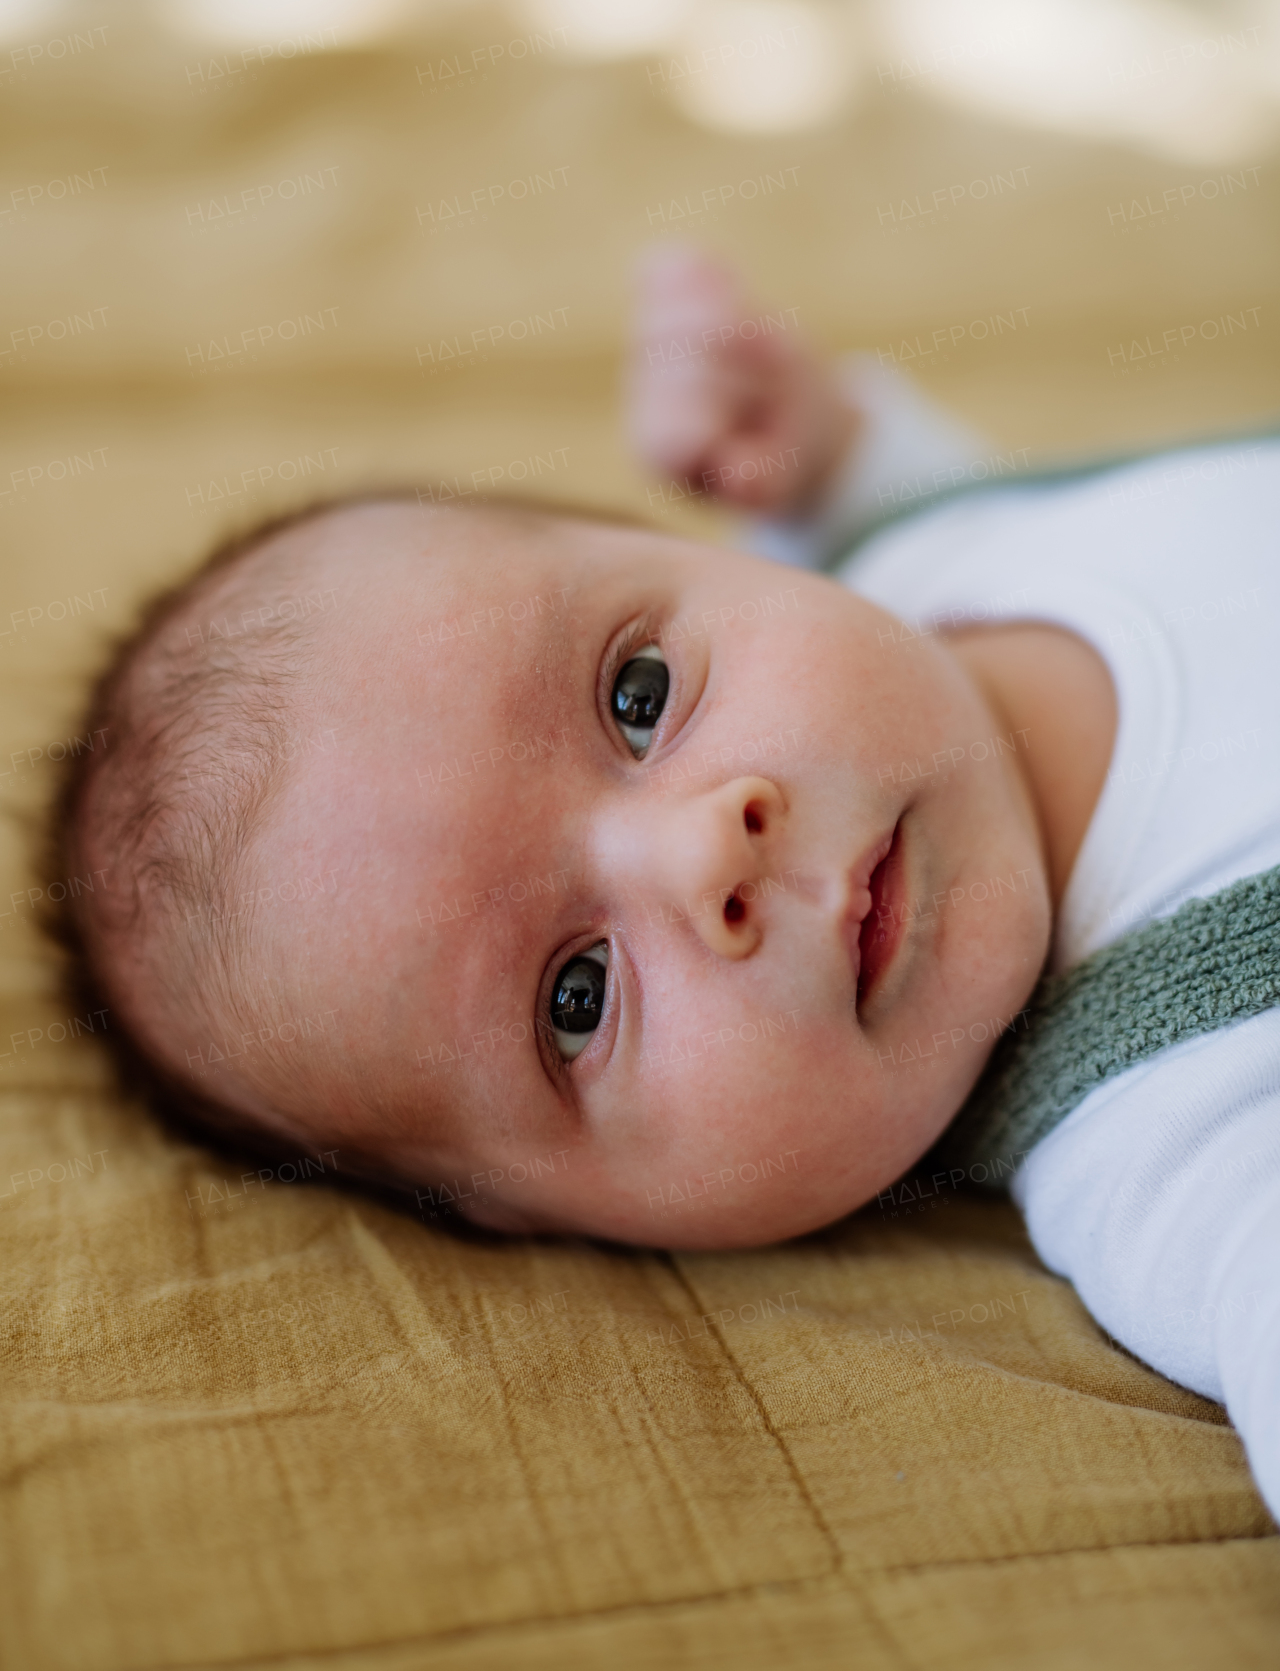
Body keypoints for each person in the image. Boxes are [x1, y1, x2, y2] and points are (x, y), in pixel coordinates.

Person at [51, 244, 1280, 1514]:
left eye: (637, 699)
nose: (705, 853)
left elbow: (907, 507)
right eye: (575, 999)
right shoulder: (1175, 1146)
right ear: (579, 1224)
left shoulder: (905, 557)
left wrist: (802, 434)